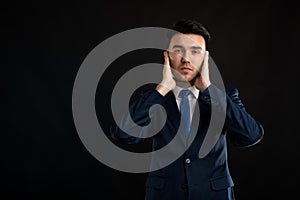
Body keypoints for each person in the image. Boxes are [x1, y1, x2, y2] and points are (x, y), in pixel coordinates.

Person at [111, 19, 264, 200]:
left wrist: (208, 89)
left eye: (195, 51)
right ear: (167, 56)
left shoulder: (224, 95)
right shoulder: (154, 98)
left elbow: (251, 135)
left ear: (205, 58)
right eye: (178, 50)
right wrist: (162, 89)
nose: (186, 58)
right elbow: (122, 134)